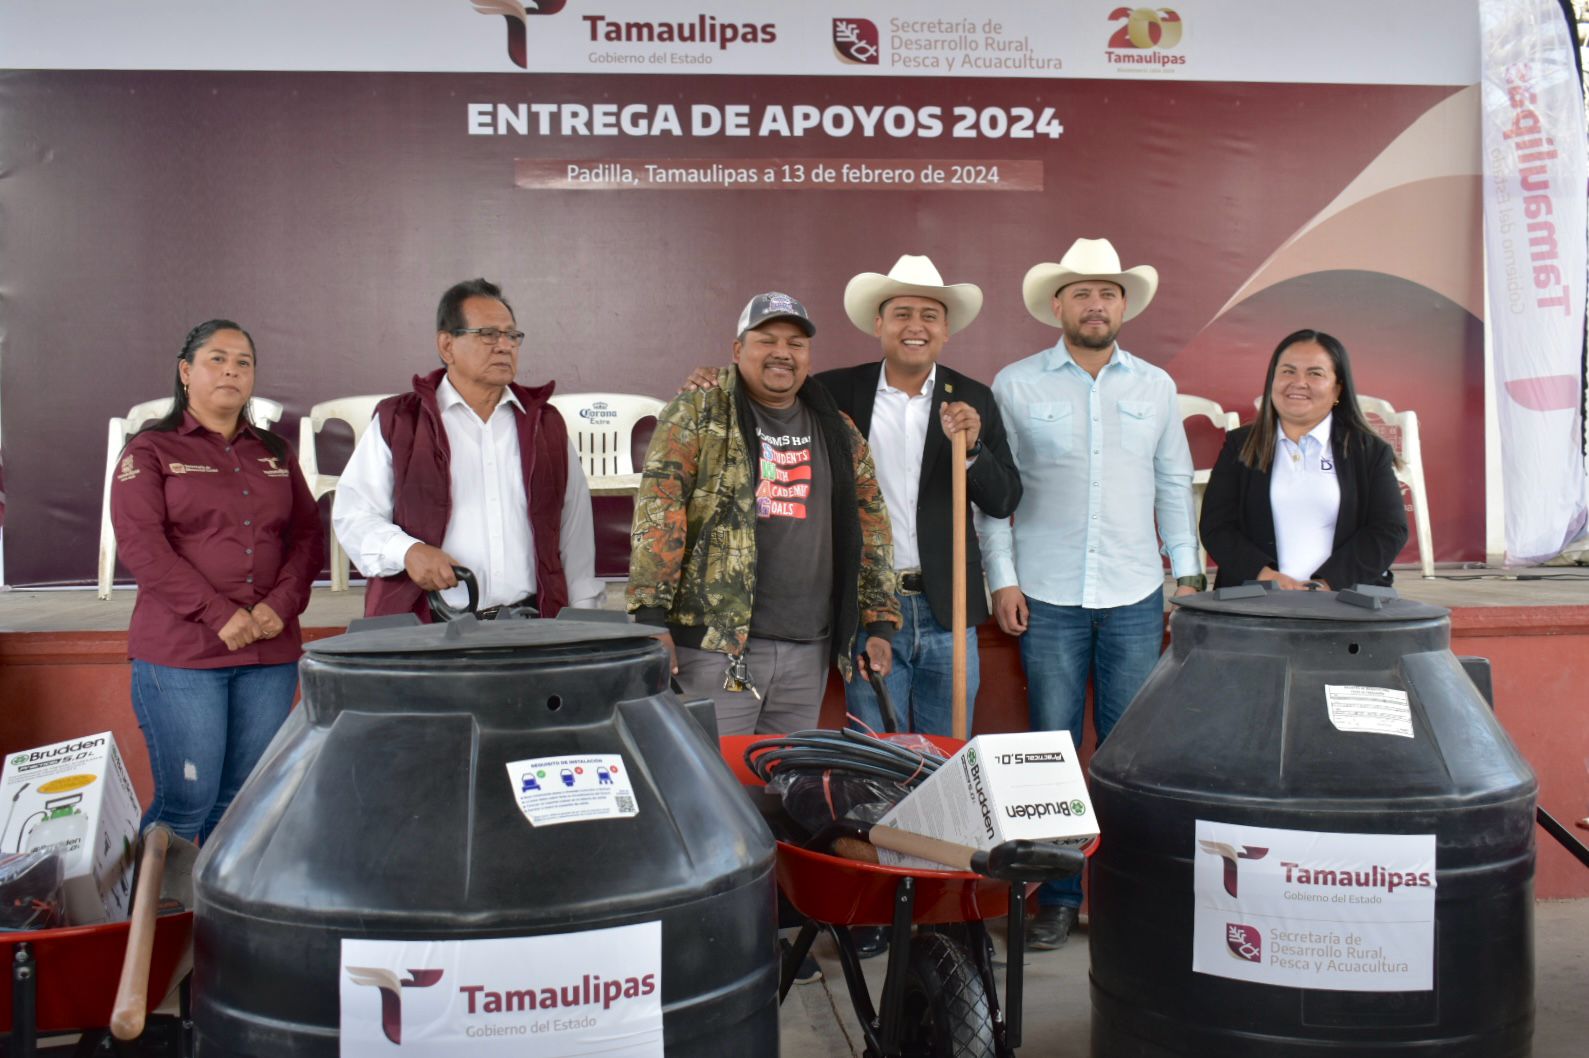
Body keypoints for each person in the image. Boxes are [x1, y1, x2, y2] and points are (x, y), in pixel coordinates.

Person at [976, 237, 1201, 949]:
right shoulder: (1015, 384)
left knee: (1129, 752)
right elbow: (994, 496)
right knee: (1052, 750)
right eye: (1081, 293)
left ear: (1124, 306)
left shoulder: (1155, 386)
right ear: (1057, 306)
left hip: (1135, 592)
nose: (1094, 304)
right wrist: (1002, 579)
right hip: (1046, 596)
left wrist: (1187, 572)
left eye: (1107, 292)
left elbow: (1173, 482)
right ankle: (1056, 897)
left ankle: (1125, 898)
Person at [627, 292, 900, 737]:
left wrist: (880, 623)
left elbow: (872, 525)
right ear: (738, 350)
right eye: (767, 340)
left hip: (808, 650)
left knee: (785, 776)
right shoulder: (696, 413)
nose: (782, 353)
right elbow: (659, 513)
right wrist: (650, 620)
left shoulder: (838, 428)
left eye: (795, 344)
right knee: (716, 776)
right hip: (717, 647)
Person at [110, 320, 322, 842]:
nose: (232, 371)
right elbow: (142, 546)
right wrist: (219, 613)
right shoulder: (150, 451)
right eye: (217, 360)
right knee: (187, 803)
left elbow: (307, 536)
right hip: (184, 655)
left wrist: (280, 605)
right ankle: (162, 900)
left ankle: (219, 900)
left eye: (243, 362)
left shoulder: (275, 451)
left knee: (245, 801)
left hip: (268, 653)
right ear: (186, 372)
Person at [823, 255, 1022, 736]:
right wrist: (715, 383)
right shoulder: (834, 392)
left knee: (947, 752)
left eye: (929, 315)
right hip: (869, 607)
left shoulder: (973, 397)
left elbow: (1004, 500)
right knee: (876, 755)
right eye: (902, 314)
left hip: (948, 608)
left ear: (946, 330)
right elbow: (769, 397)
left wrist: (972, 450)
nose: (916, 326)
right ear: (879, 324)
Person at [333, 278, 603, 621]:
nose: (504, 346)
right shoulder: (400, 421)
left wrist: (583, 620)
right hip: (427, 627)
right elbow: (354, 515)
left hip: (532, 626)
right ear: (447, 345)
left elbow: (575, 534)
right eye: (488, 334)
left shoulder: (545, 425)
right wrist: (408, 551)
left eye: (512, 335)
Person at [1200, 329, 1408, 589]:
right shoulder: (1240, 445)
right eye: (1288, 371)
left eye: (1315, 373)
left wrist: (1328, 583)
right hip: (1254, 601)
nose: (1298, 382)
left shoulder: (1369, 451)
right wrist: (1267, 578)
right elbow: (1216, 526)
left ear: (1338, 389)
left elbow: (1389, 530)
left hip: (1344, 602)